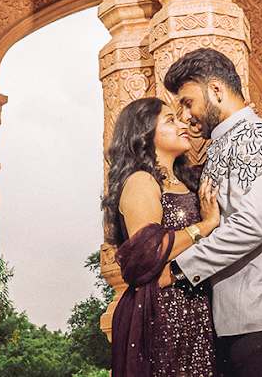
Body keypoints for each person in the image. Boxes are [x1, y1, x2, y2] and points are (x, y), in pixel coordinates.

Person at [164, 48, 262, 377]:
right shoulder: (226, 141)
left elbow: (251, 226)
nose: (184, 115)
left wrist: (177, 269)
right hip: (244, 315)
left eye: (188, 102)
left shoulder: (254, 137)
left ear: (217, 91)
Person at [104, 96, 222, 376]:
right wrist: (205, 226)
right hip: (161, 313)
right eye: (170, 120)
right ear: (145, 134)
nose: (182, 124)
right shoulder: (141, 181)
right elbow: (149, 251)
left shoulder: (188, 180)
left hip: (197, 308)